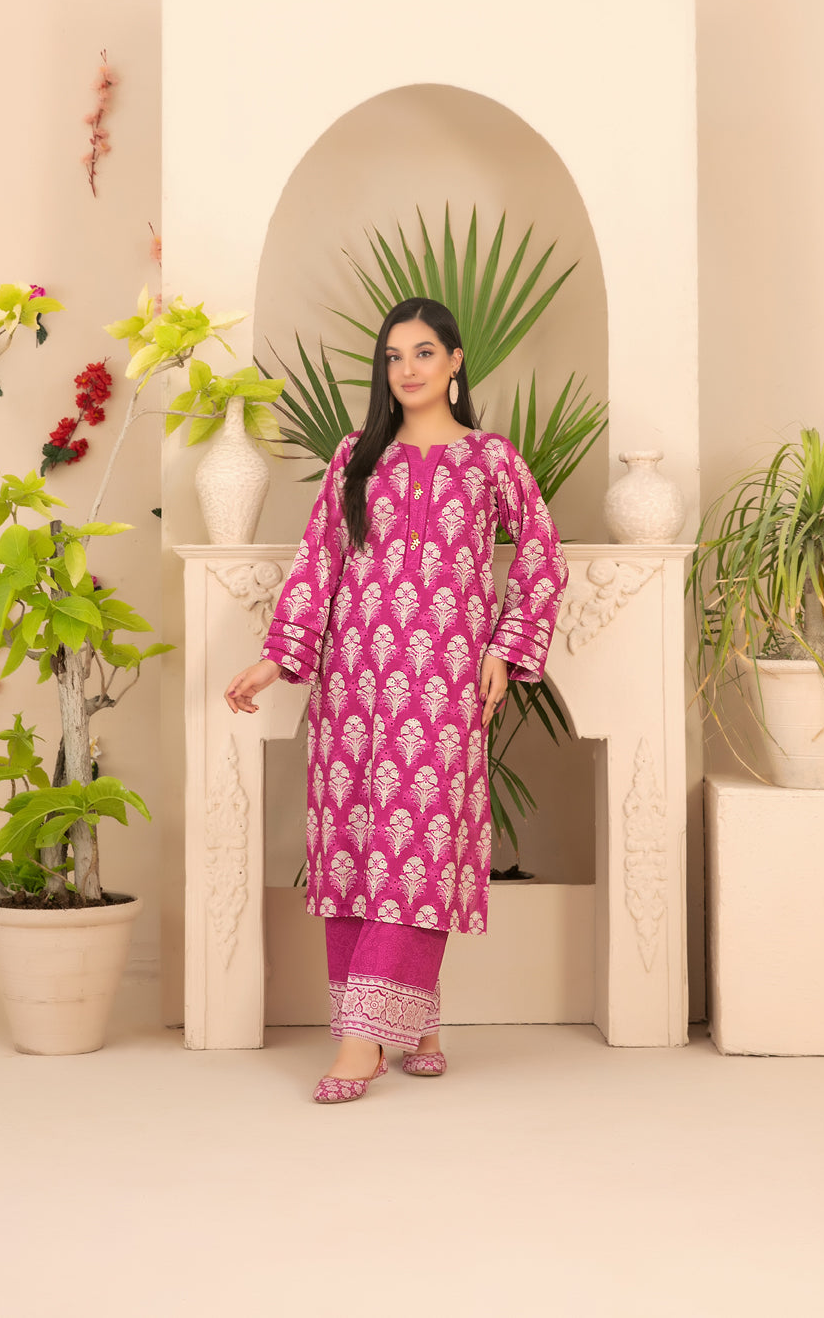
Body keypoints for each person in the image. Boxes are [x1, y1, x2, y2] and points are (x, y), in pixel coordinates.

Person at [225, 297, 568, 1103]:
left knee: (417, 845)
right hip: (353, 684)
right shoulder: (357, 455)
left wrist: (504, 647)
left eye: (422, 352)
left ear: (454, 362)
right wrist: (278, 657)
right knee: (356, 845)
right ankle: (416, 1026)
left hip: (443, 684)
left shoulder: (489, 459)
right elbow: (320, 559)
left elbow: (541, 555)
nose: (406, 369)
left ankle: (362, 1043)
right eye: (393, 356)